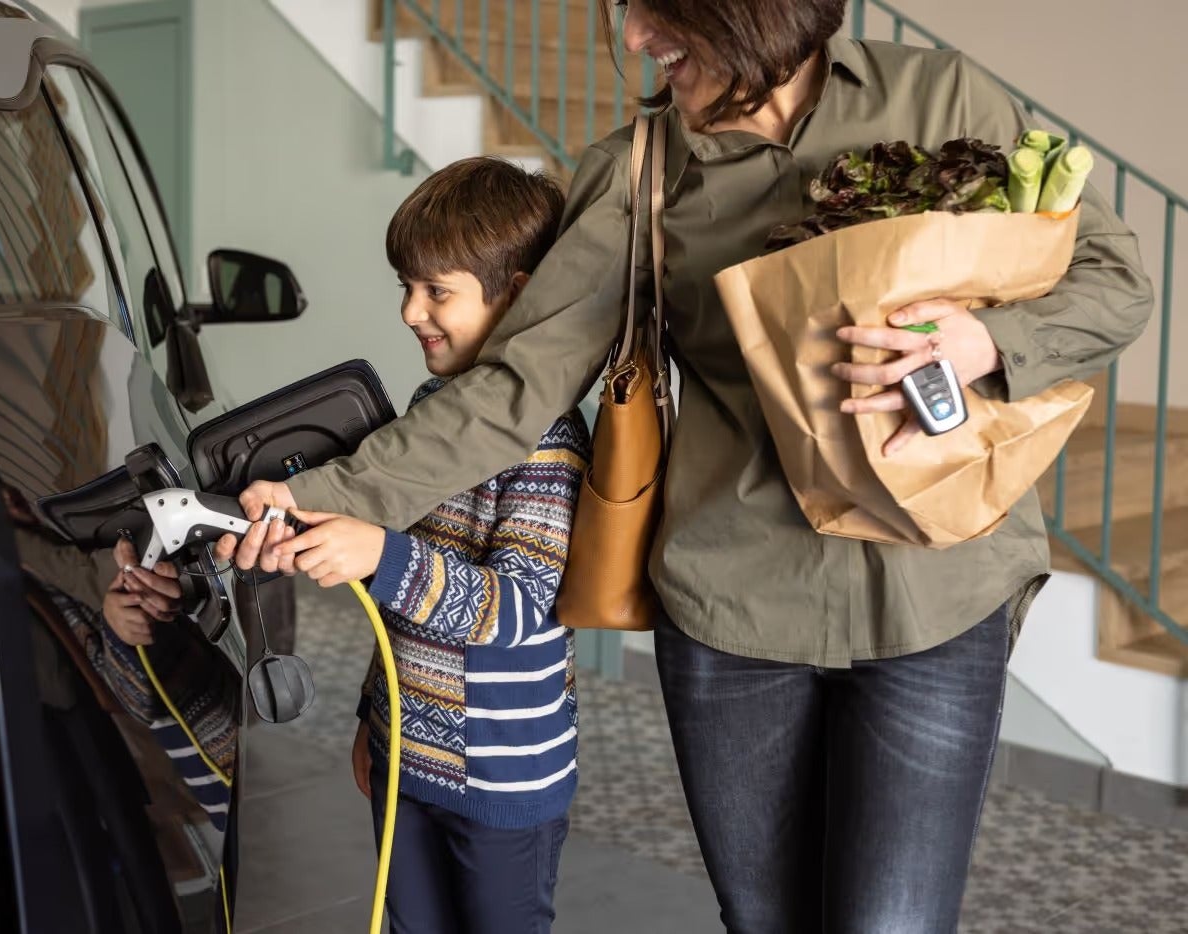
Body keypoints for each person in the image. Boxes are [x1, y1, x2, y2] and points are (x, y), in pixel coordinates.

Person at [218, 1, 1154, 930]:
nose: (632, 39)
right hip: (733, 613)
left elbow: (1114, 278)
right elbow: (514, 387)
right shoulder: (641, 169)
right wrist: (310, 498)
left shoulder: (940, 96)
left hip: (939, 590)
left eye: (657, 10)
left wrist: (984, 341)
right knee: (763, 918)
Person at [226, 157, 587, 933]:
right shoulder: (428, 414)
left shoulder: (546, 441)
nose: (409, 311)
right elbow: (402, 616)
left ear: (516, 295)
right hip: (405, 757)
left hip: (502, 781)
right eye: (406, 287)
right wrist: (373, 717)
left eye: (436, 291)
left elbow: (520, 608)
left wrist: (381, 557)